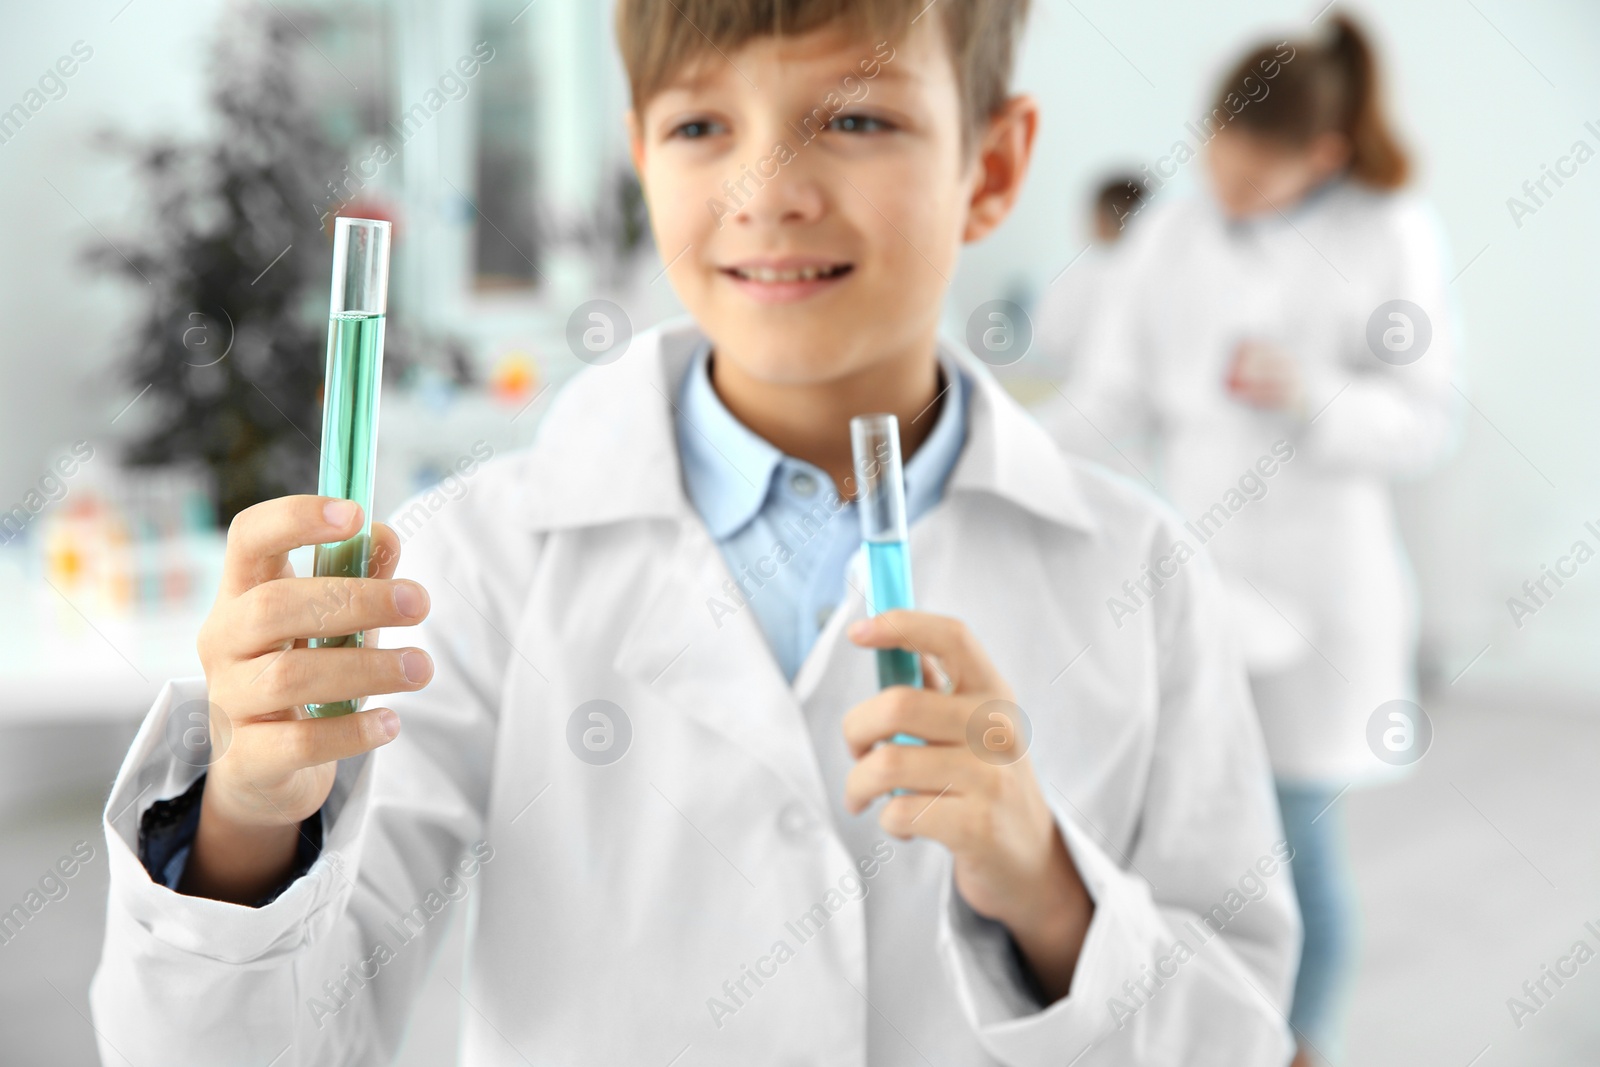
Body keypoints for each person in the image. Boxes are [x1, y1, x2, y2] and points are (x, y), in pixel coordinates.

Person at [88, 2, 1300, 1063]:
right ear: (639, 158)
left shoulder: (1137, 572)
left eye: (858, 119)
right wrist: (251, 815)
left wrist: (1047, 890)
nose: (764, 189)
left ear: (991, 162)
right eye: (699, 127)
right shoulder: (475, 561)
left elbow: (1241, 1032)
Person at [1039, 13, 1458, 1066]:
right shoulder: (1168, 232)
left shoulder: (1387, 227)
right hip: (1201, 579)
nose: (1222, 181)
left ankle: (1299, 1044)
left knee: (1296, 843)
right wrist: (994, 448)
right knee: (1184, 833)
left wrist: (1311, 393)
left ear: (1320, 154)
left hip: (1326, 584)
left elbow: (1425, 419)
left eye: (1252, 168)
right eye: (1214, 152)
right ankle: (1197, 1036)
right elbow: (1105, 400)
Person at [1029, 175, 1144, 384]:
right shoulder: (1163, 276)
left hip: (1080, 391)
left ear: (1099, 218)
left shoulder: (1076, 276)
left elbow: (1049, 341)